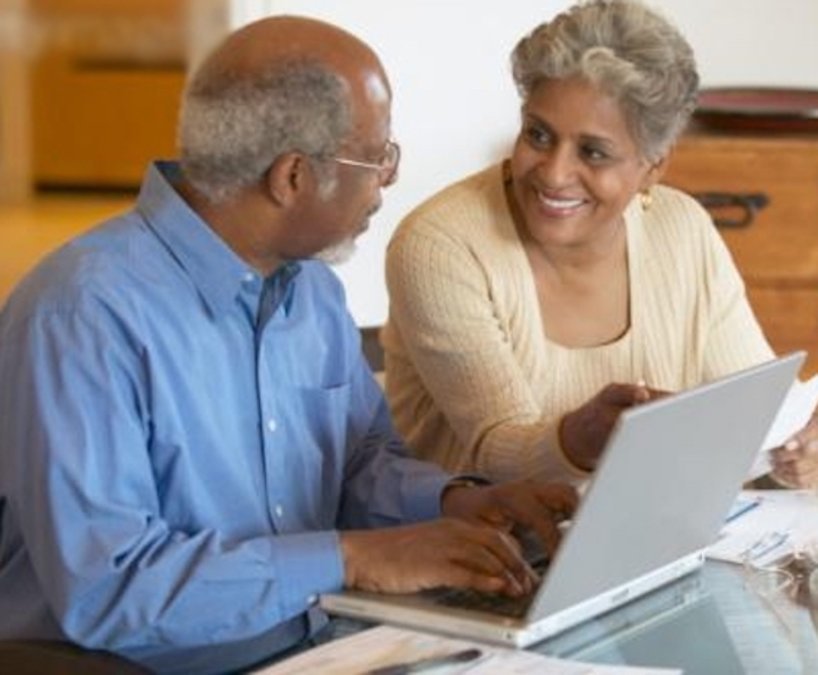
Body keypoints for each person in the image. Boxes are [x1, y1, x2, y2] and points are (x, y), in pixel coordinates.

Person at [0, 16, 579, 675]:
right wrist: (357, 557)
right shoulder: (81, 314)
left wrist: (460, 503)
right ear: (294, 176)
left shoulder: (311, 291)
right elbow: (111, 586)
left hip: (321, 644)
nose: (386, 180)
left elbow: (356, 462)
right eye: (379, 155)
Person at [382, 0, 818, 487]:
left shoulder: (683, 229)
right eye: (538, 135)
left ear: (654, 166)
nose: (554, 173)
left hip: (641, 541)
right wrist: (577, 437)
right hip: (473, 549)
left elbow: (756, 419)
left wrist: (798, 452)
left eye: (593, 152)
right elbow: (494, 454)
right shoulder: (440, 246)